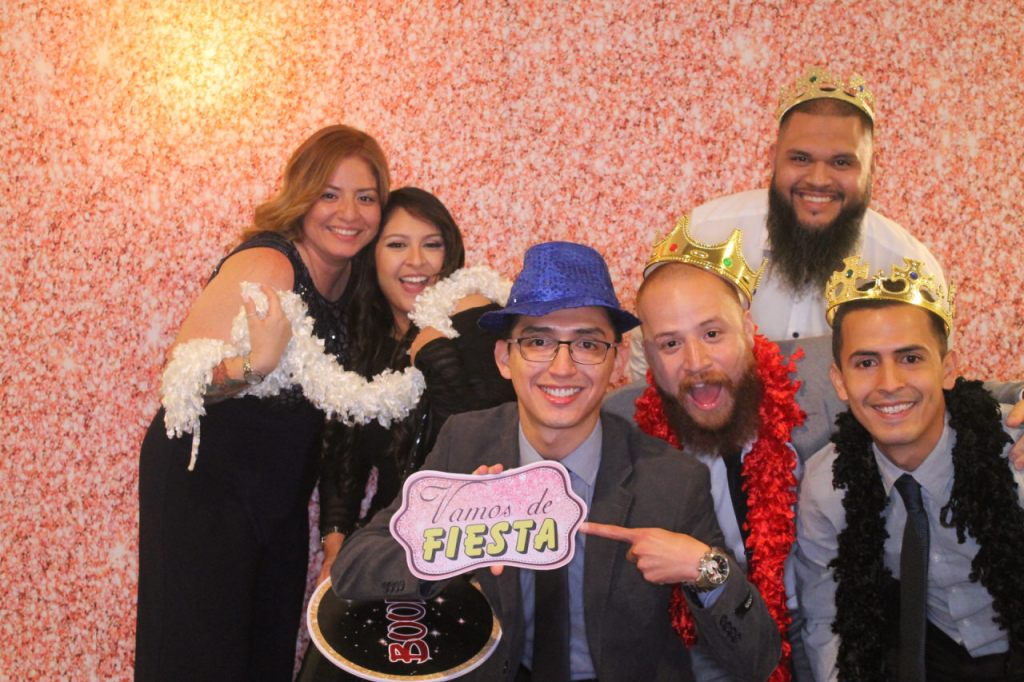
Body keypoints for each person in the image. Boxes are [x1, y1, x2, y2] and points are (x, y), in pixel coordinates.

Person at [331, 241, 782, 682]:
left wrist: (704, 568)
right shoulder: (466, 443)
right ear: (504, 358)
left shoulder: (671, 480)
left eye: (587, 344)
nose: (562, 367)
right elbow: (354, 567)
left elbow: (758, 658)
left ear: (616, 360)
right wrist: (454, 544)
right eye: (538, 341)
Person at [136, 125, 389, 681]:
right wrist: (254, 365)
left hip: (279, 494)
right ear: (302, 196)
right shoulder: (270, 264)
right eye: (329, 193)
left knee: (264, 658)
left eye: (365, 197)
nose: (349, 213)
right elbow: (181, 381)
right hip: (207, 484)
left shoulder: (354, 278)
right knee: (199, 659)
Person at [297, 187, 515, 681]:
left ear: (450, 252)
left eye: (431, 244)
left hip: (465, 547)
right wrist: (335, 547)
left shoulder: (474, 317)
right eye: (397, 244)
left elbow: (484, 443)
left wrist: (436, 358)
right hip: (388, 541)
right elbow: (344, 454)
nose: (417, 261)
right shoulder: (369, 336)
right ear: (372, 256)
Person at [794, 256, 1024, 681]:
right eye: (866, 363)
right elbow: (828, 618)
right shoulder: (827, 485)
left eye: (911, 358)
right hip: (924, 657)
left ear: (948, 369)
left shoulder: (1013, 453)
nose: (889, 384)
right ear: (840, 380)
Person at [633, 219, 809, 681]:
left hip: (817, 631)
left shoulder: (822, 398)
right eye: (671, 343)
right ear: (648, 357)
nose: (696, 363)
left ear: (748, 329)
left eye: (712, 334)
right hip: (704, 642)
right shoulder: (625, 432)